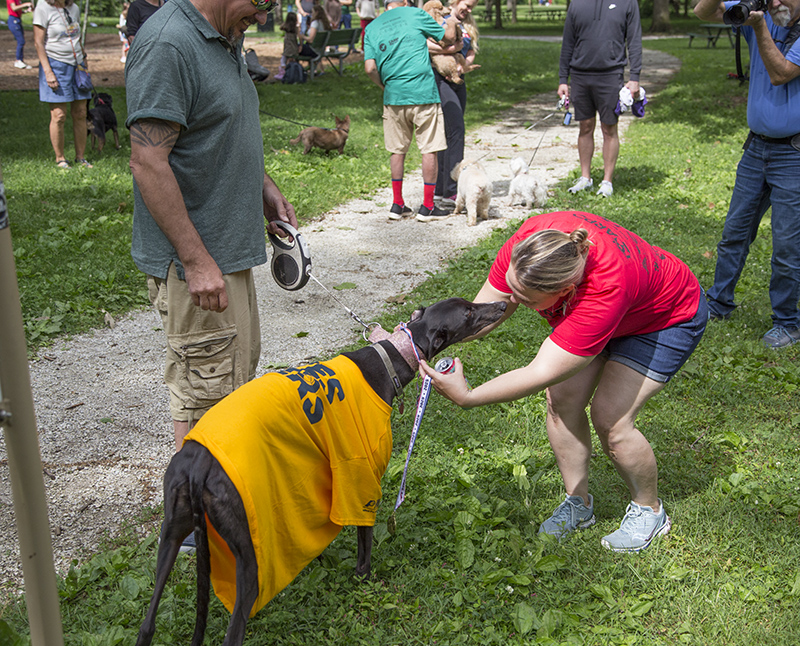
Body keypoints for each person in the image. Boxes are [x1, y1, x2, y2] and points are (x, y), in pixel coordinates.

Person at [419, 211, 708, 552]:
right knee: (562, 401)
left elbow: (538, 372)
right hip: (614, 307)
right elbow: (482, 314)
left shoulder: (604, 289)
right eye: (511, 287)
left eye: (525, 300)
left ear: (566, 291)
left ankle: (649, 510)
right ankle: (578, 503)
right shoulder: (532, 246)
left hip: (664, 318)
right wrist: (417, 341)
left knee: (611, 420)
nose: (511, 302)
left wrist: (468, 396)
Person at [125, 0, 298, 553]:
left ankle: (216, 505)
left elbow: (219, 129)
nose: (265, 13)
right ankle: (198, 526)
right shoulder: (168, 43)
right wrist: (197, 260)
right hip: (197, 263)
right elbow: (148, 161)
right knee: (203, 395)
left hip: (229, 253)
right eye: (261, 2)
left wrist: (262, 183)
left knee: (230, 384)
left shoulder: (223, 36)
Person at [694, 0, 800, 349]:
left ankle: (787, 321)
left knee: (787, 245)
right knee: (735, 231)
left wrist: (758, 27)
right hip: (756, 149)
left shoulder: (766, 26)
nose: (777, 4)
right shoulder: (761, 15)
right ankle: (719, 302)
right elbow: (703, 12)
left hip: (794, 154)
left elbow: (781, 72)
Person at [363, 0, 456, 222]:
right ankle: (428, 207)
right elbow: (448, 38)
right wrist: (450, 19)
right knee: (429, 149)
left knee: (397, 150)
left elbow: (369, 68)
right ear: (404, 1)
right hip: (423, 93)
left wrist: (384, 86)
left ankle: (397, 205)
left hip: (394, 96)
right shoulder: (415, 14)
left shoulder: (372, 28)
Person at [557, 0, 641, 198]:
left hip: (611, 74)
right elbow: (568, 42)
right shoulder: (576, 4)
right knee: (585, 126)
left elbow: (634, 40)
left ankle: (607, 181)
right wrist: (563, 79)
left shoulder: (628, 3)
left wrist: (635, 77)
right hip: (580, 74)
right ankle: (585, 178)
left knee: (608, 128)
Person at [427, 0, 479, 209]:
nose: (467, 10)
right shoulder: (440, 20)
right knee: (456, 130)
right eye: (465, 4)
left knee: (450, 133)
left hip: (459, 79)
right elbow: (427, 44)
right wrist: (453, 50)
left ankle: (441, 188)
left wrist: (463, 65)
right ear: (455, 2)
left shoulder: (469, 26)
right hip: (441, 79)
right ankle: (451, 190)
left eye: (471, 7)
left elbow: (471, 51)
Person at [32, 0, 93, 169]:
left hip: (78, 65)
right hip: (56, 64)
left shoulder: (73, 8)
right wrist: (48, 71)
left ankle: (80, 158)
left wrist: (84, 60)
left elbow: (76, 37)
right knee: (59, 115)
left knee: (81, 112)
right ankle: (60, 159)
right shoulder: (43, 7)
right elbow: (38, 42)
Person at [7, 0, 34, 69]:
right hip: (13, 20)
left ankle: (20, 60)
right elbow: (14, 8)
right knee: (21, 41)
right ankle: (18, 60)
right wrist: (26, 4)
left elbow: (17, 11)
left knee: (21, 41)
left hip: (17, 20)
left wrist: (26, 11)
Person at [277, 9, 301, 80]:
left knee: (284, 60)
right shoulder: (296, 29)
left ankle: (284, 72)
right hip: (294, 47)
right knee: (292, 60)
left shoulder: (286, 27)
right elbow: (300, 36)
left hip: (288, 48)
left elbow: (281, 27)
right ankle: (291, 72)